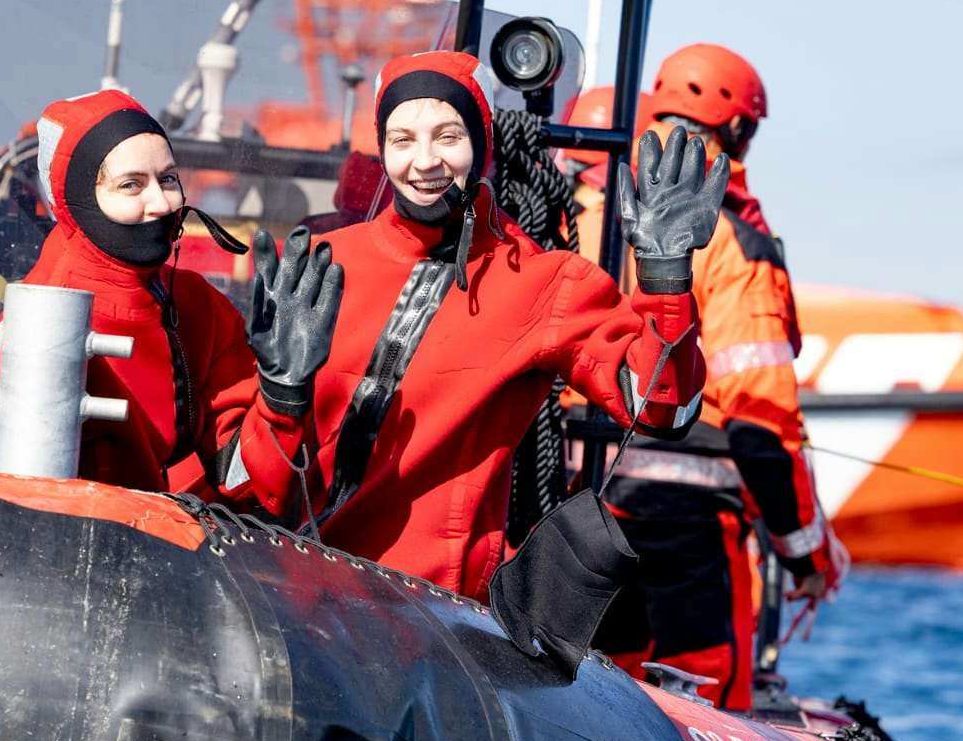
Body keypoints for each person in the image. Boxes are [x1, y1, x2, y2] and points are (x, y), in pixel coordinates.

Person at [220, 50, 723, 600]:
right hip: (288, 595)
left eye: (448, 136)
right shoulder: (318, 263)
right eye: (402, 139)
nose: (425, 160)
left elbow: (662, 407)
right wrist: (282, 395)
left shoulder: (541, 280)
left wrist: (666, 276)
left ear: (481, 144)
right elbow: (239, 484)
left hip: (429, 624)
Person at [582, 43, 847, 711]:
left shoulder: (576, 212)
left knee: (590, 692)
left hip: (571, 504)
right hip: (684, 533)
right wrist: (809, 557)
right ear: (735, 130)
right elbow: (760, 425)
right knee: (702, 696)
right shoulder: (732, 243)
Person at [0, 88, 341, 495]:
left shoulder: (199, 307)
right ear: (78, 200)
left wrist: (281, 398)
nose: (161, 203)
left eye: (168, 179)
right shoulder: (35, 330)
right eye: (131, 185)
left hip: (162, 543)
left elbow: (242, 480)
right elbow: (21, 509)